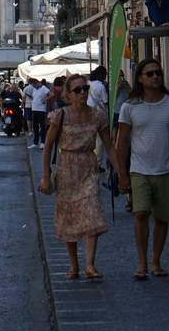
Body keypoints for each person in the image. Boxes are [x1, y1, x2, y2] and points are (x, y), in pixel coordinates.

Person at [113, 60, 169, 281]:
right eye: (150, 74)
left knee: (162, 218)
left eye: (158, 73)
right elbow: (122, 142)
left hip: (167, 169)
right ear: (140, 78)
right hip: (139, 170)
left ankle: (155, 261)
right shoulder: (130, 106)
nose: (155, 77)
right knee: (140, 214)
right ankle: (141, 263)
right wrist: (122, 174)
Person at [40, 74, 114, 281]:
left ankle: (90, 265)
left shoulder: (97, 116)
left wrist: (121, 173)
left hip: (89, 168)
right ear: (68, 95)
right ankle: (74, 265)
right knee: (69, 217)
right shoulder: (60, 115)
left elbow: (109, 146)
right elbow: (47, 147)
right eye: (78, 90)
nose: (83, 93)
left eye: (85, 89)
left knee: (92, 212)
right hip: (67, 169)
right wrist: (45, 176)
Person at [30, 78, 52, 147]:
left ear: (38, 83)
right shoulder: (34, 89)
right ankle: (35, 142)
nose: (34, 87)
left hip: (41, 110)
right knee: (35, 126)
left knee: (42, 126)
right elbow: (34, 97)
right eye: (33, 85)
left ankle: (43, 142)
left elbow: (51, 94)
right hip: (34, 109)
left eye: (34, 85)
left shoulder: (43, 88)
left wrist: (45, 99)